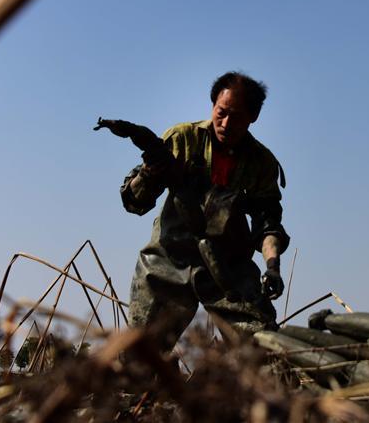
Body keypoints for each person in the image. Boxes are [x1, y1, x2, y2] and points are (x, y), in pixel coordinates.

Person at [97, 72, 288, 352]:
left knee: (263, 348)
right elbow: (134, 203)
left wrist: (273, 267)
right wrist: (151, 171)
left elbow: (268, 223)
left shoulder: (262, 164)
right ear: (212, 106)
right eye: (220, 113)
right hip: (168, 262)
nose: (225, 123)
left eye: (236, 117)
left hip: (228, 268)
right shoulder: (181, 139)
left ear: (253, 118)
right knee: (141, 356)